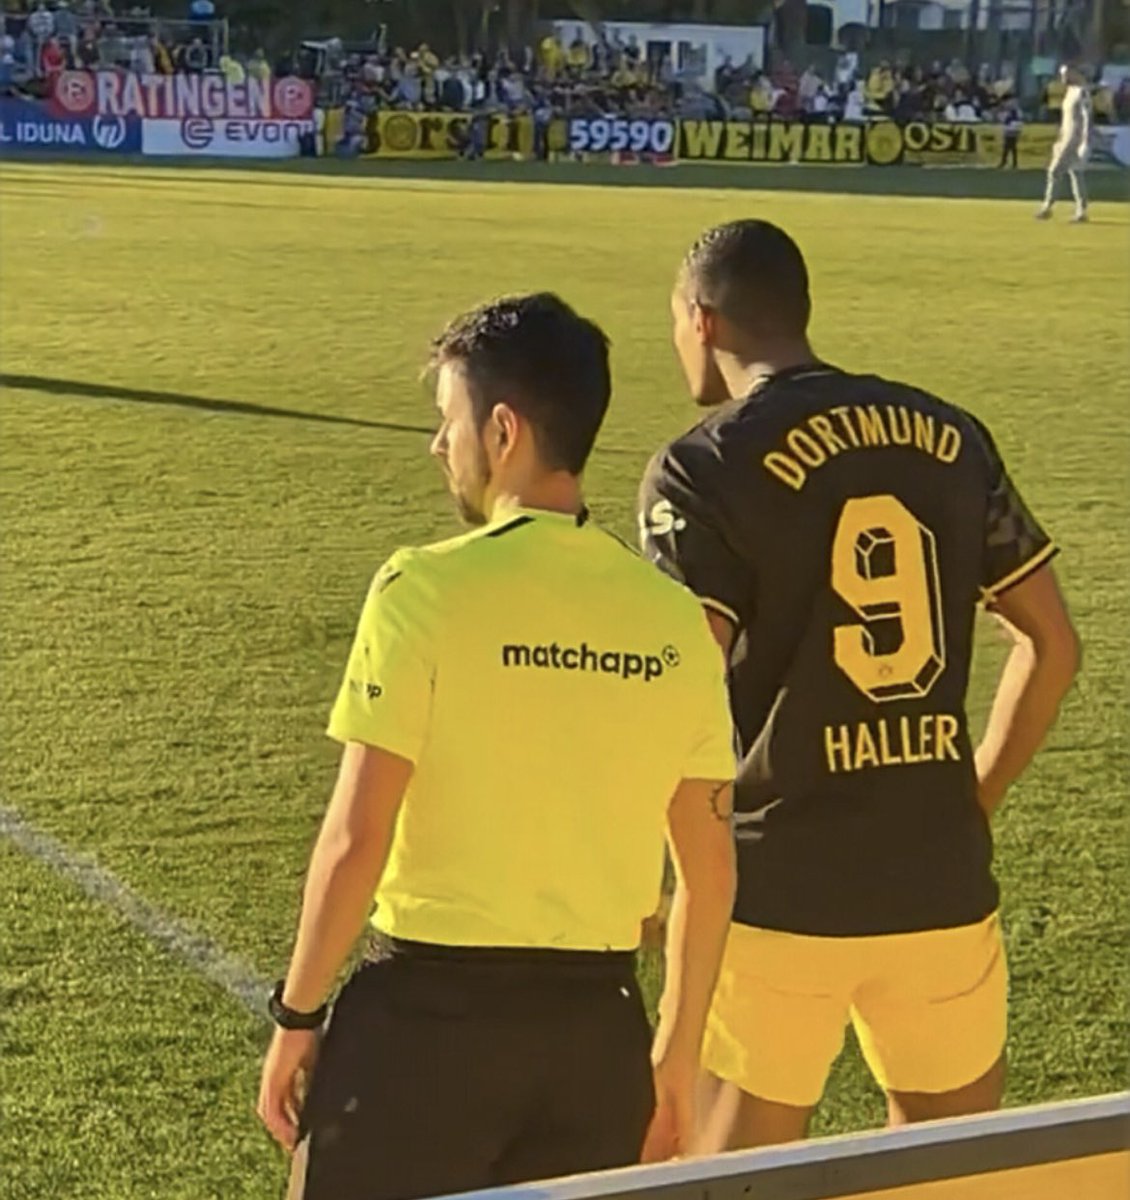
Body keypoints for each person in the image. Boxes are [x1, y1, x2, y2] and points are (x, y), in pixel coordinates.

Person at [258, 293, 738, 1199]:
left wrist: (296, 1014)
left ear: (504, 429)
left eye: (449, 421)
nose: (441, 446)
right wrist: (673, 1056)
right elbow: (710, 871)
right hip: (597, 1039)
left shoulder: (422, 588)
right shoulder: (676, 622)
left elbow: (356, 840)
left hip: (423, 1029)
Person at [638, 220, 1080, 1151]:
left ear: (703, 320)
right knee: (948, 1177)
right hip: (939, 881)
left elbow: (679, 693)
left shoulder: (703, 463)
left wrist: (650, 868)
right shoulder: (950, 434)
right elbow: (1053, 644)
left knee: (735, 1178)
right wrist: (975, 796)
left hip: (776, 891)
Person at [1037, 64, 1092, 223]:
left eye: (1065, 74)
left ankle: (1047, 207)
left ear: (1074, 73)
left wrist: (1084, 141)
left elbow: (1087, 118)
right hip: (1066, 137)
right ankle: (1081, 210)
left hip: (1074, 138)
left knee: (1055, 171)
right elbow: (1066, 119)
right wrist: (1060, 138)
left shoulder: (1082, 92)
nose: (1063, 79)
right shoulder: (1069, 92)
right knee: (1075, 173)